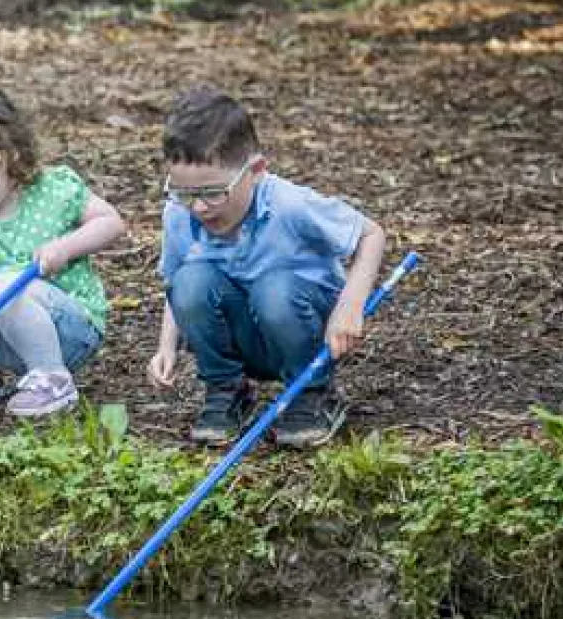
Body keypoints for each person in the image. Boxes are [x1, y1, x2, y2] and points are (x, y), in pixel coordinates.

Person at [148, 87, 388, 447]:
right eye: (183, 193)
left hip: (303, 331)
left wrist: (350, 308)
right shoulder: (179, 215)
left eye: (213, 193)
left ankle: (312, 394)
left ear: (256, 171)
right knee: (191, 281)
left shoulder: (290, 205)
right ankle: (227, 390)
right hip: (244, 334)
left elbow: (371, 234)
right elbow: (175, 283)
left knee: (273, 290)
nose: (198, 207)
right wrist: (166, 346)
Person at [0, 89, 125, 417]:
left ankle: (52, 378)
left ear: (14, 156)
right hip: (5, 337)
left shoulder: (52, 191)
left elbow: (111, 222)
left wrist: (65, 247)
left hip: (69, 332)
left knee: (7, 284)